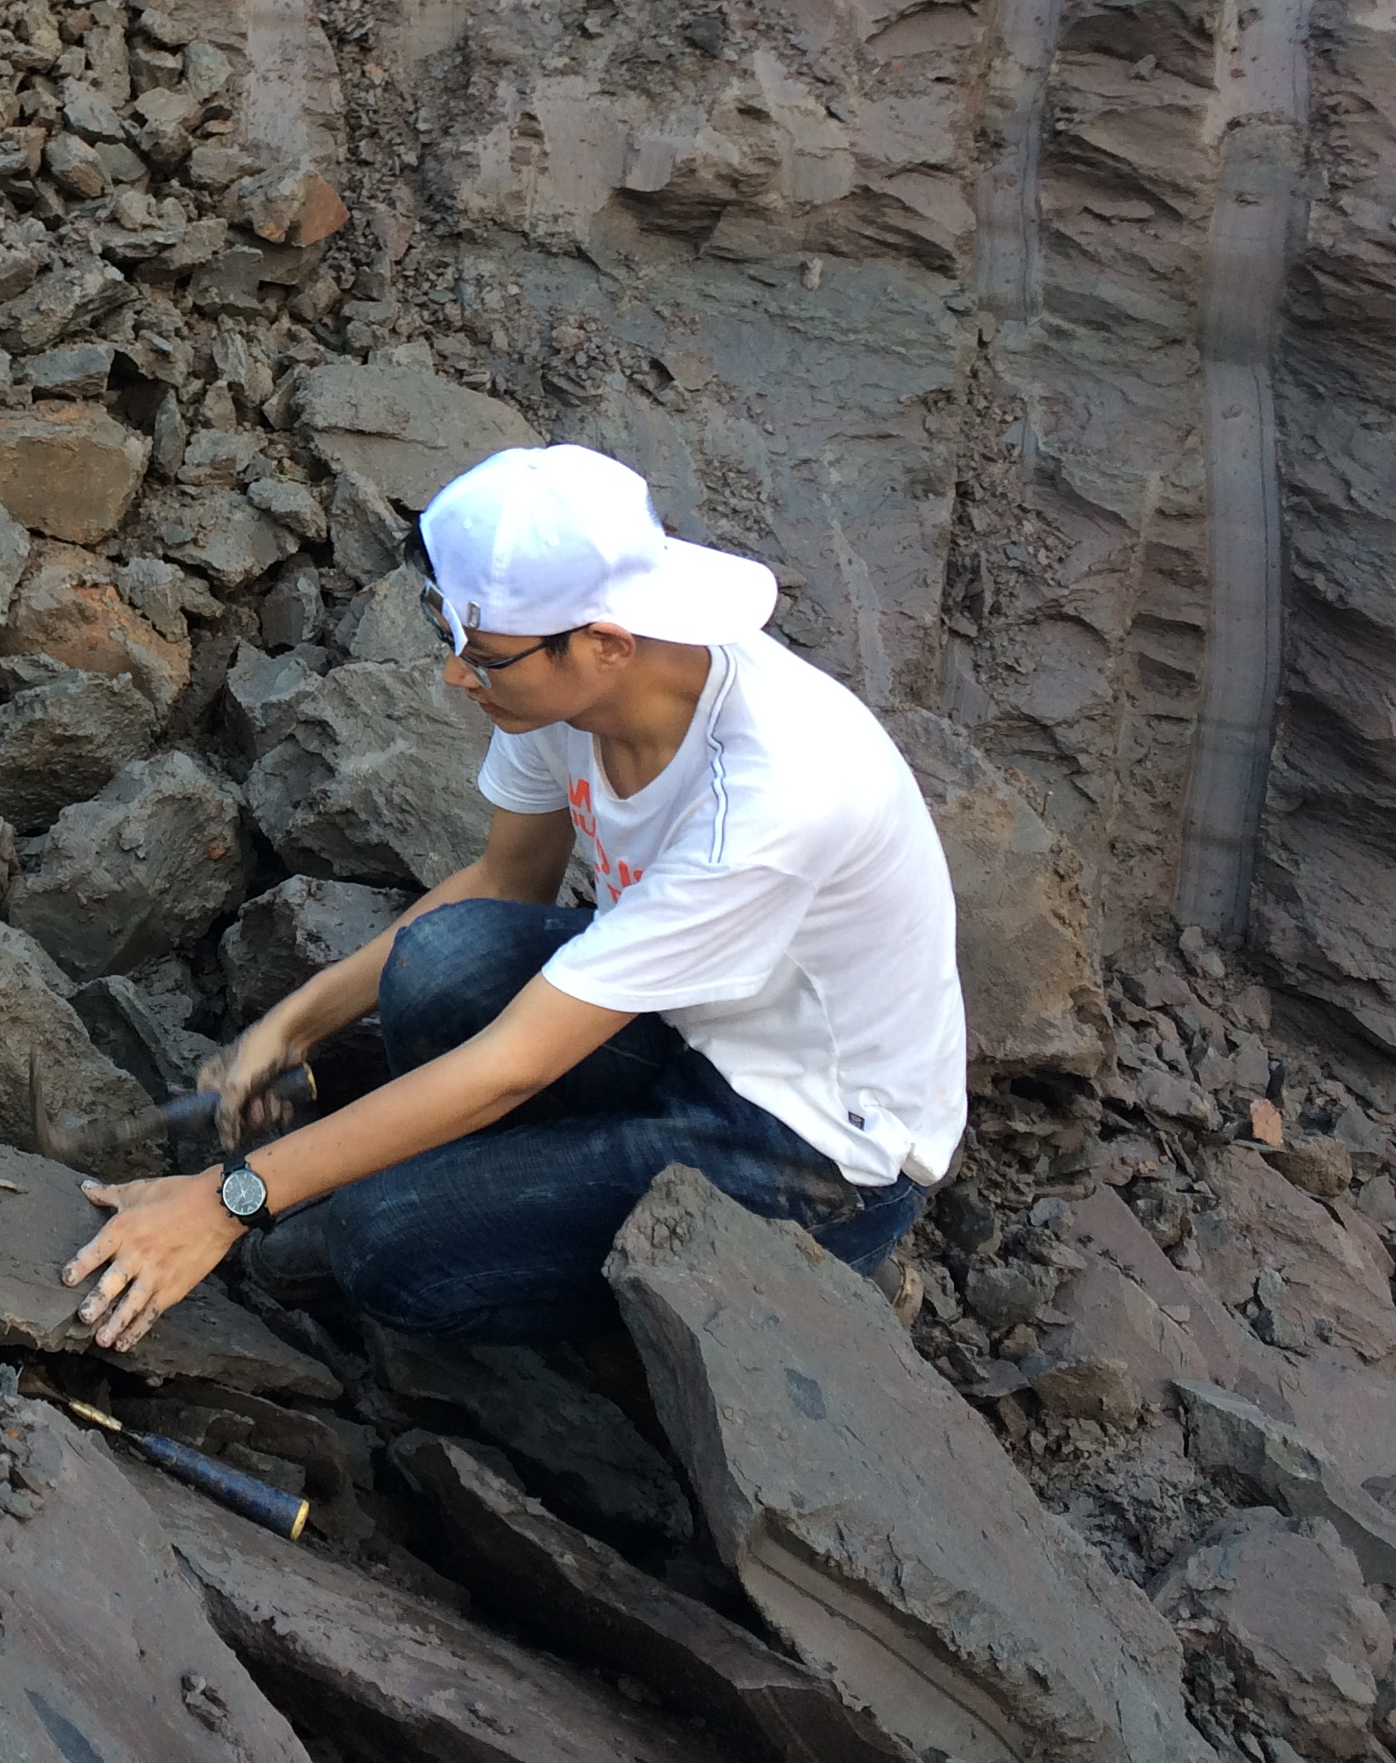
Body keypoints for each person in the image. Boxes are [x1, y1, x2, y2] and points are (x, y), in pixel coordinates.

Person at [64, 442, 962, 1352]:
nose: (459, 676)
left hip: (811, 1142)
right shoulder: (572, 691)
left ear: (606, 643)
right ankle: (494, 1189)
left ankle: (791, 1287)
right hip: (685, 1017)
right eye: (454, 639)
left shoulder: (773, 799)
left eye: (486, 659)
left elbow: (513, 1065)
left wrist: (228, 1201)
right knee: (442, 961)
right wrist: (293, 1026)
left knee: (381, 1245)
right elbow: (506, 879)